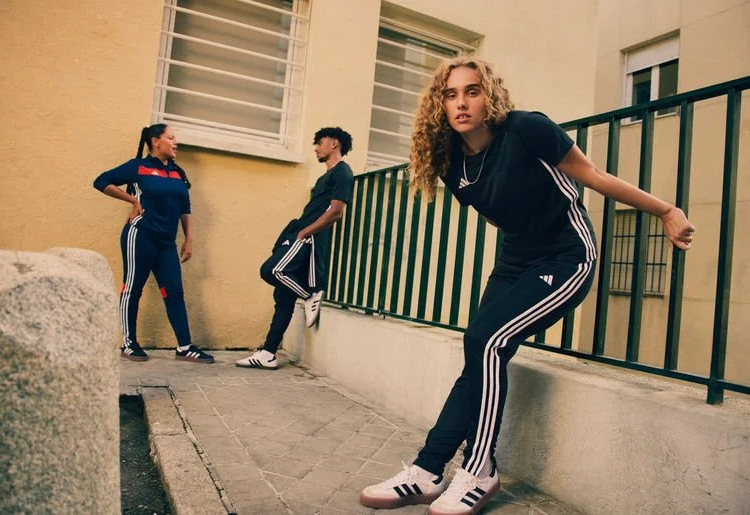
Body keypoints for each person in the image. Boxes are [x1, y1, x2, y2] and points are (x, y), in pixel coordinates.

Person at [360, 57, 695, 514]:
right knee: (479, 352)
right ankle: (427, 469)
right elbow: (500, 214)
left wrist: (666, 211)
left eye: (472, 91)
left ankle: (479, 468)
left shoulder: (526, 129)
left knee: (485, 339)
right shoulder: (450, 160)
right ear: (440, 104)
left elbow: (594, 176)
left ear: (489, 96)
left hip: (566, 255)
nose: (461, 102)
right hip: (515, 259)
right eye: (451, 94)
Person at [93, 124, 214, 364]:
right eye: (171, 138)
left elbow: (185, 208)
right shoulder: (138, 167)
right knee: (132, 288)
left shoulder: (178, 173)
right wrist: (132, 200)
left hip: (167, 243)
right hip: (140, 236)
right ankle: (129, 344)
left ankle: (184, 347)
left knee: (174, 293)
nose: (176, 142)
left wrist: (188, 238)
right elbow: (101, 181)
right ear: (155, 141)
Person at [236, 127, 355, 370]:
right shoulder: (325, 177)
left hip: (307, 238)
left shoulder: (343, 172)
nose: (316, 148)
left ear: (334, 143)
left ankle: (310, 294)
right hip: (300, 233)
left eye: (320, 142)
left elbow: (336, 212)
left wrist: (304, 233)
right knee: (282, 296)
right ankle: (268, 353)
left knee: (271, 271)